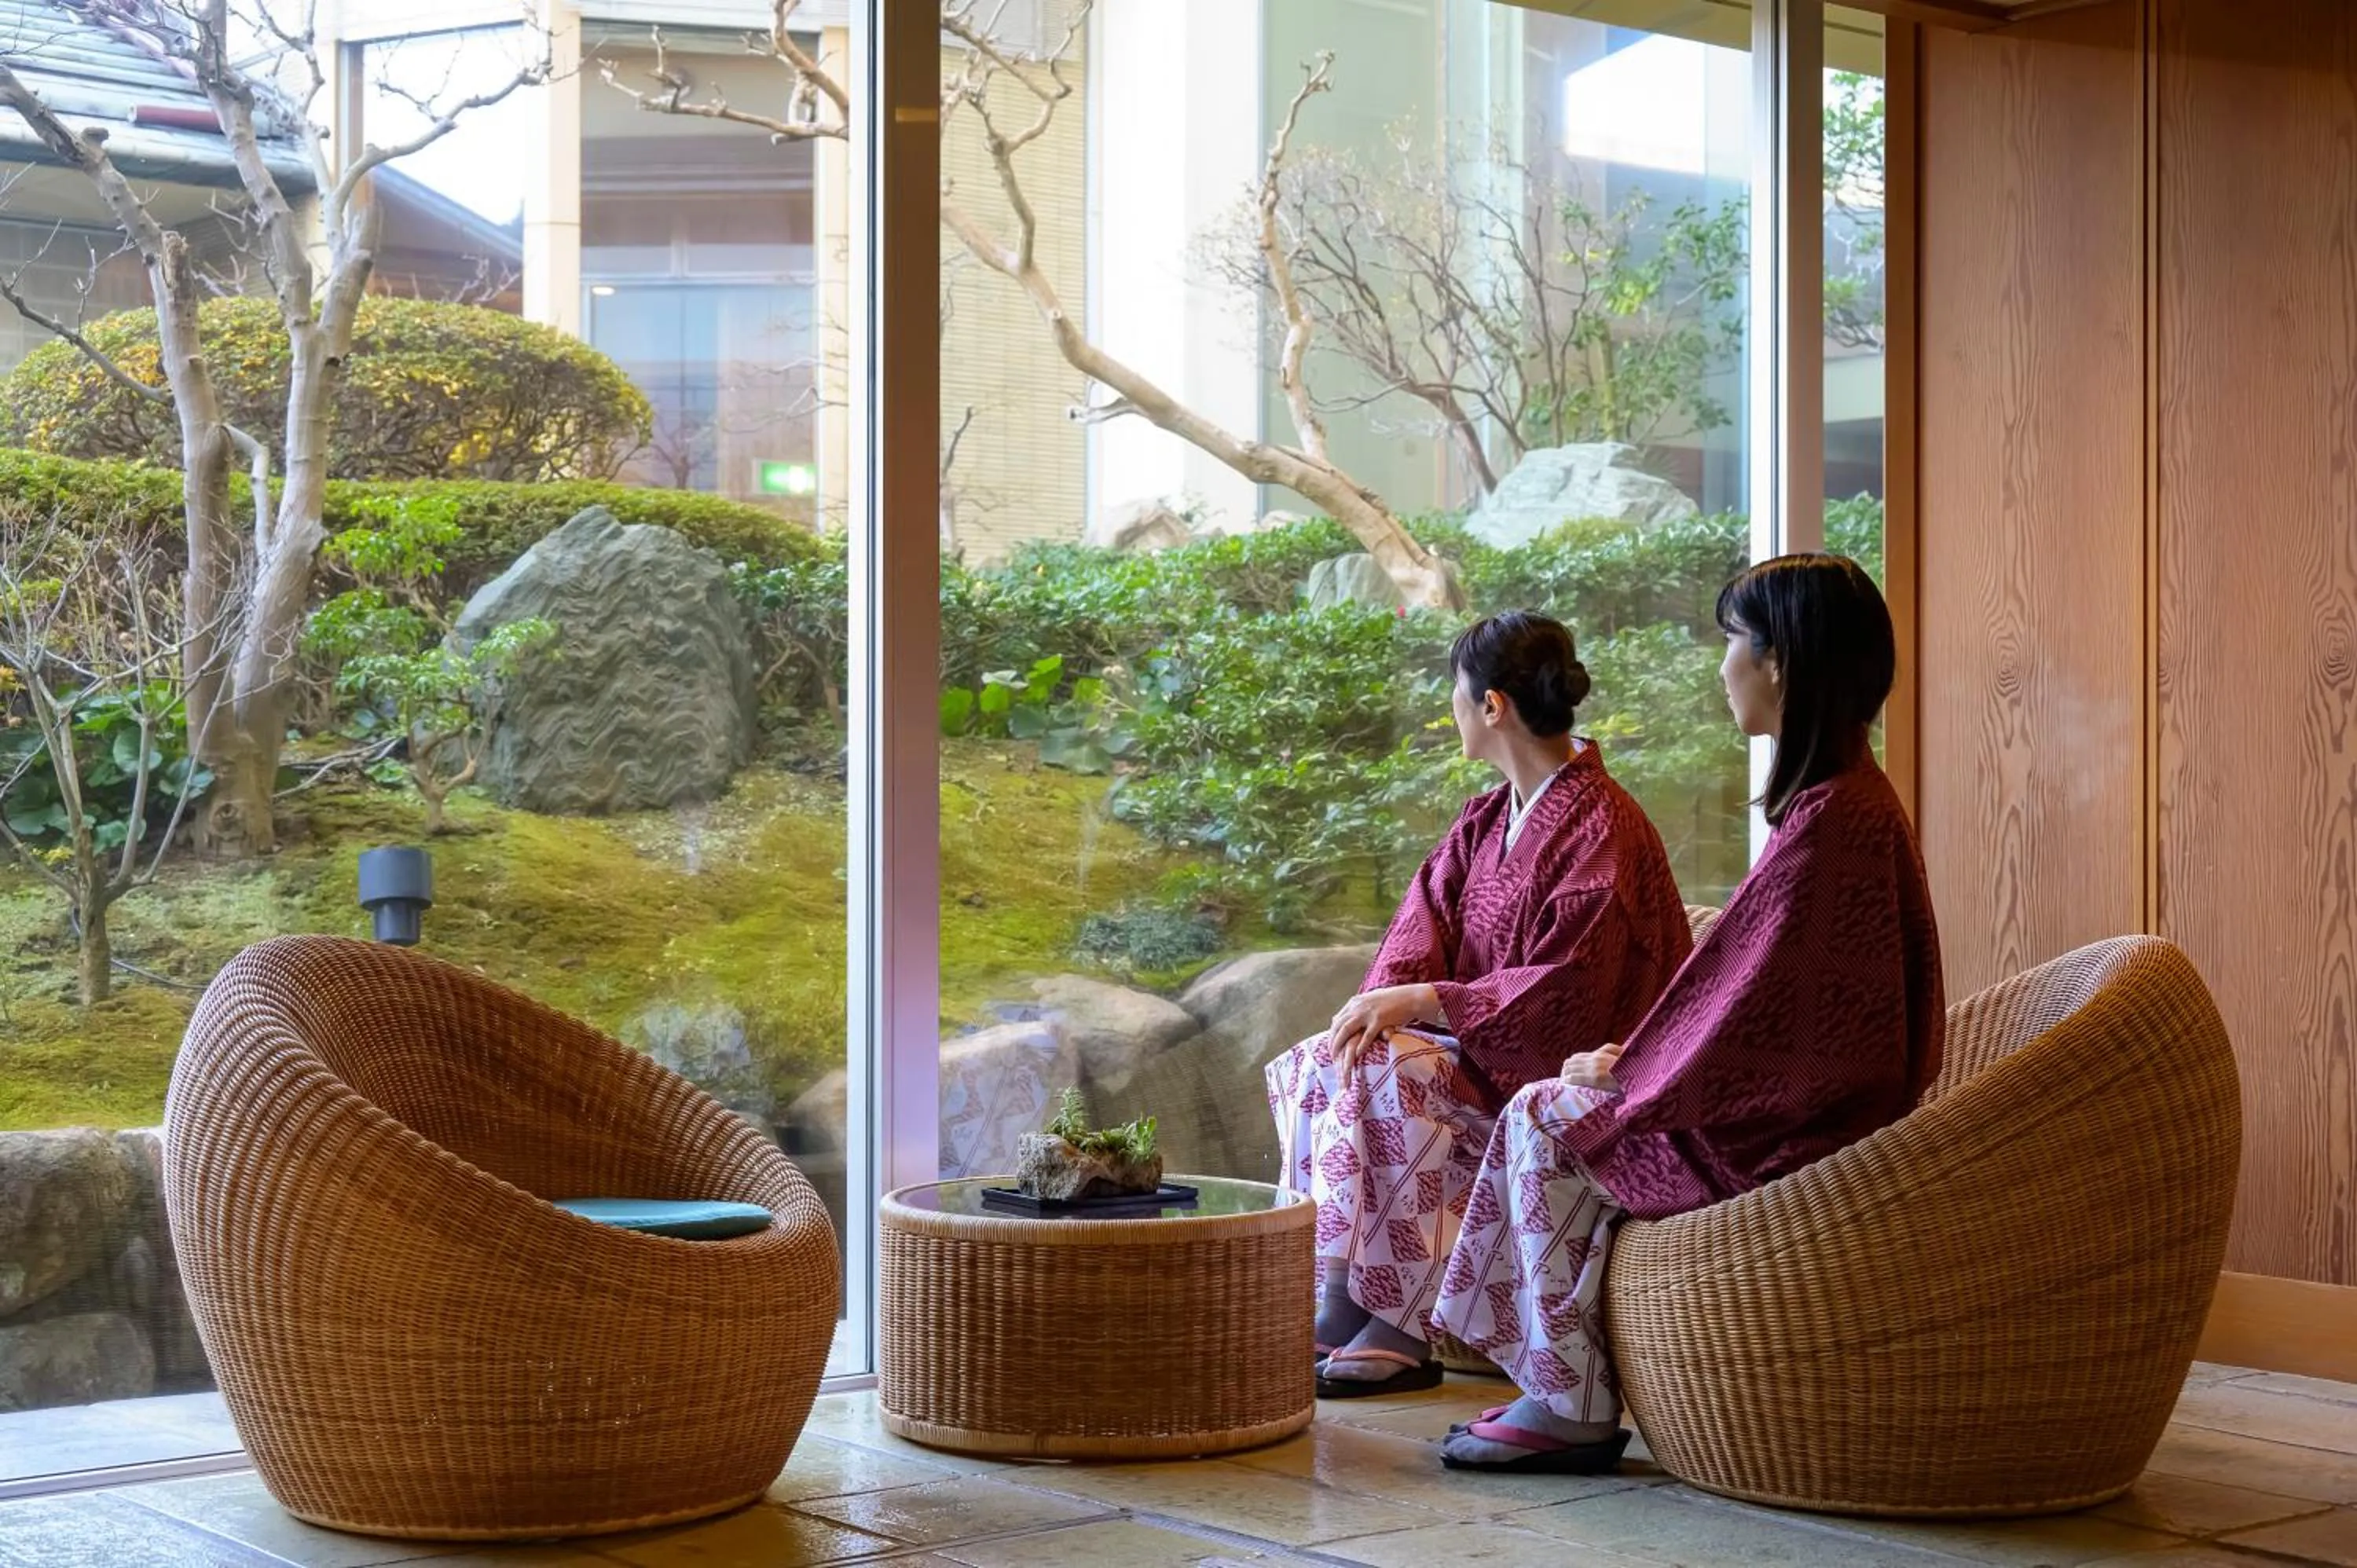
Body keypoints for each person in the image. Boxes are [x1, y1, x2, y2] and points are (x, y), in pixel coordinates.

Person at [1429, 554, 1945, 1474]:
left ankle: (1568, 1400)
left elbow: (1755, 1013)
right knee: (1562, 1101)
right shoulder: (1843, 803)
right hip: (1814, 1107)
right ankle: (1554, 1380)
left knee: (1543, 1119)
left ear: (1779, 661)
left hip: (1794, 1134)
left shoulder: (1832, 821)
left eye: (1732, 641)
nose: (1723, 666)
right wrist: (1634, 1058)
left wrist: (1625, 1074)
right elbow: (1758, 996)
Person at [1264, 610, 1693, 1401]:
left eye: (1457, 695)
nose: (1451, 709)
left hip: (1581, 1074)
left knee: (1398, 1072)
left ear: (1492, 705)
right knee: (1338, 1054)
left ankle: (1400, 1318)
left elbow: (1575, 983)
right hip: (1486, 1061)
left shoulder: (1606, 826)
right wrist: (1381, 1003)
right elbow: (1419, 926)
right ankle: (1341, 1293)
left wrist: (1429, 1000)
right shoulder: (1486, 819)